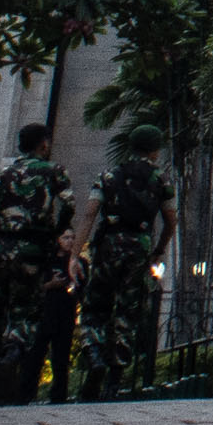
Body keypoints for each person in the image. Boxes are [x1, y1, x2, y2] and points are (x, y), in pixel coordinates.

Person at [0, 122, 75, 403]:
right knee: (26, 312)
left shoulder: (2, 175)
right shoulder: (53, 171)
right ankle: (13, 350)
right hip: (31, 252)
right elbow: (69, 204)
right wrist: (54, 233)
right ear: (43, 144)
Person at [72, 130, 174, 401]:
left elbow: (89, 214)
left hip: (108, 244)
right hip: (138, 246)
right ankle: (114, 380)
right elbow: (170, 220)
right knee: (127, 312)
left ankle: (94, 356)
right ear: (153, 150)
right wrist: (158, 250)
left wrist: (73, 255)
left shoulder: (108, 176)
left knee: (95, 307)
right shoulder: (161, 179)